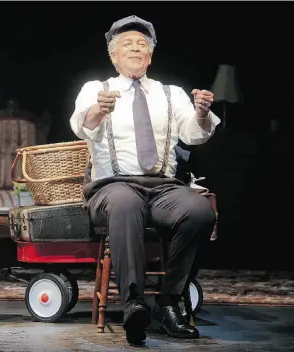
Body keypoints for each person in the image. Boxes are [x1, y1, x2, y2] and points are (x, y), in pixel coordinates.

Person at [70, 16, 220, 344]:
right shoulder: (97, 89)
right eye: (128, 45)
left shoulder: (171, 93)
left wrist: (201, 113)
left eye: (142, 45)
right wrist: (98, 109)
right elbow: (81, 126)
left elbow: (194, 136)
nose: (136, 49)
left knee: (199, 211)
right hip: (112, 185)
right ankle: (134, 303)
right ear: (114, 56)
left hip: (161, 186)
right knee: (125, 204)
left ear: (150, 56)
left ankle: (168, 303)